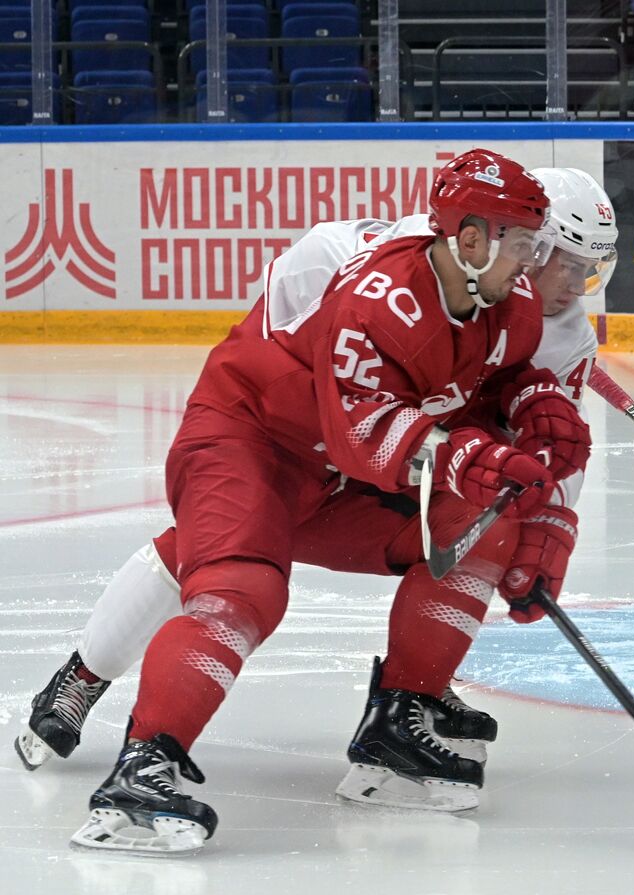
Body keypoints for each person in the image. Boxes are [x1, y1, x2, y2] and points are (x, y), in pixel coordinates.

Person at [51, 149, 595, 856]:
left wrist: (536, 401)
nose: (536, 265)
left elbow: (495, 374)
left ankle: (402, 723)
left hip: (339, 478)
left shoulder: (511, 299)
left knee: (485, 524)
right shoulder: (376, 298)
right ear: (471, 238)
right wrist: (471, 454)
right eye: (525, 246)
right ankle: (141, 769)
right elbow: (364, 437)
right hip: (249, 443)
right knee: (243, 587)